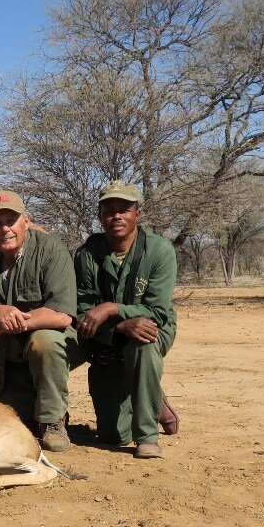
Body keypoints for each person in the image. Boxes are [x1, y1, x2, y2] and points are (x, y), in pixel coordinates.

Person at [0, 190, 78, 452]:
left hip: (54, 346)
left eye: (11, 220)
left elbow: (61, 314)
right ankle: (29, 401)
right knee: (8, 423)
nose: (5, 229)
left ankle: (53, 421)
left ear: (26, 221)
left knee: (44, 340)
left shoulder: (51, 250)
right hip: (11, 358)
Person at [73, 181, 178, 459]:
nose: (116, 216)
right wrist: (118, 323)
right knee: (112, 435)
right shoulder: (86, 253)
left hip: (152, 328)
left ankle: (147, 436)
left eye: (124, 210)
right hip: (107, 333)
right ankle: (153, 395)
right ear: (100, 216)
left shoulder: (160, 250)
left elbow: (157, 311)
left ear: (137, 215)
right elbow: (81, 304)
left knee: (142, 344)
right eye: (109, 211)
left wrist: (112, 308)